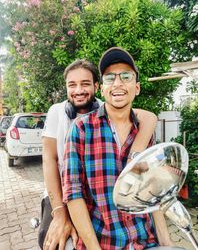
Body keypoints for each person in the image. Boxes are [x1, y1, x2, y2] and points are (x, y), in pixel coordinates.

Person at [41, 58, 157, 250]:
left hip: (95, 193)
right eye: (72, 85)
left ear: (97, 87)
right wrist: (60, 213)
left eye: (85, 84)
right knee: (52, 241)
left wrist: (134, 155)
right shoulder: (57, 112)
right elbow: (49, 160)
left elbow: (147, 117)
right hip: (58, 190)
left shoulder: (110, 102)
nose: (79, 90)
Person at [62, 47, 172, 250]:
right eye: (110, 78)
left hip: (144, 242)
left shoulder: (144, 133)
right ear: (102, 89)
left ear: (137, 87)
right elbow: (73, 194)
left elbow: (153, 190)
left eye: (126, 76)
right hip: (103, 243)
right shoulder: (81, 130)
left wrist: (166, 242)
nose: (118, 83)